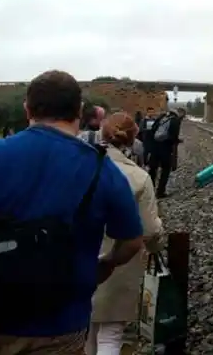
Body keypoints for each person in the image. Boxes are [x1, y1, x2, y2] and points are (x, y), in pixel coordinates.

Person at [0, 70, 144, 354]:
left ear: (27, 108)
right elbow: (132, 241)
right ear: (79, 111)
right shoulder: (104, 171)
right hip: (59, 324)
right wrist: (108, 262)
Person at [85, 113, 163, 355]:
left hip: (79, 260)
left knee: (84, 334)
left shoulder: (80, 167)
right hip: (120, 263)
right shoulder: (140, 177)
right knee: (111, 333)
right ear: (133, 139)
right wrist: (156, 249)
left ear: (101, 134)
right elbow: (150, 230)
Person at [147, 108, 184, 198]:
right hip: (165, 149)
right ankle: (160, 192)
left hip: (155, 148)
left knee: (152, 169)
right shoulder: (175, 120)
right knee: (166, 169)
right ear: (179, 114)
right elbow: (173, 137)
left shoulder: (161, 117)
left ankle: (150, 190)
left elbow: (152, 130)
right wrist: (178, 141)